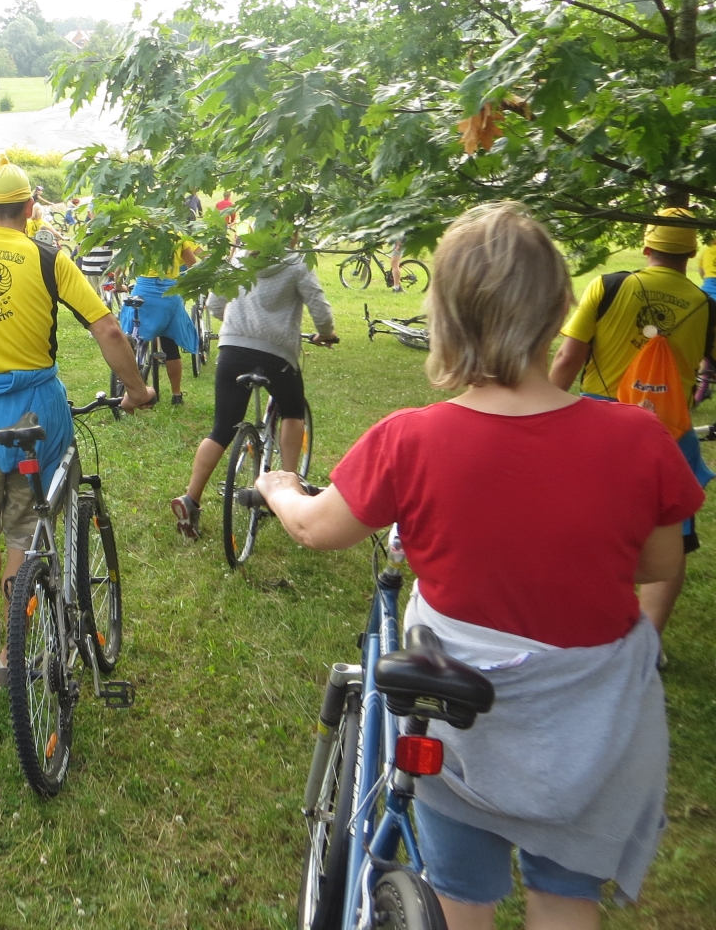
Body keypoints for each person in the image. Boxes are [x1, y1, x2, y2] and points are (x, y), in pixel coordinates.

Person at [260, 202, 697, 929]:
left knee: (461, 896)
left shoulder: (411, 439)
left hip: (463, 725)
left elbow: (315, 529)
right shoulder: (638, 438)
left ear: (445, 317)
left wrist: (279, 486)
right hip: (594, 727)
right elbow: (656, 563)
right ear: (562, 306)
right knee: (565, 899)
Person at [0, 156, 154, 682]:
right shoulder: (50, 257)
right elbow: (108, 330)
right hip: (36, 409)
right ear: (30, 209)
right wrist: (138, 390)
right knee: (26, 531)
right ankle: (15, 647)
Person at [548, 208, 714, 639]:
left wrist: (545, 409)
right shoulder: (706, 305)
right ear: (692, 252)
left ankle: (582, 626)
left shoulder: (608, 286)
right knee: (670, 536)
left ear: (647, 248)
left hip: (598, 424)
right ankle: (649, 642)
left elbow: (569, 357)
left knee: (584, 527)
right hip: (668, 433)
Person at [170, 234, 337, 538]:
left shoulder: (238, 260)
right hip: (277, 354)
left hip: (232, 348)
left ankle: (190, 498)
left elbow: (216, 305)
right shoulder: (297, 262)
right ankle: (290, 489)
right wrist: (325, 333)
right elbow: (320, 309)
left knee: (221, 429)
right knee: (292, 413)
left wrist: (240, 321)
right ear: (292, 234)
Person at [120, 242, 201, 406]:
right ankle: (176, 394)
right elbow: (194, 265)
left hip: (143, 291)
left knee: (134, 335)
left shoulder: (140, 235)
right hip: (168, 293)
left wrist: (117, 285)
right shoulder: (177, 237)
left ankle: (134, 387)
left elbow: (119, 266)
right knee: (170, 344)